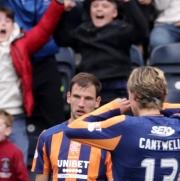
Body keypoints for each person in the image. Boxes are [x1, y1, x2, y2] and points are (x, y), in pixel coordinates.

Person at [0, 0, 65, 158]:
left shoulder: (22, 44)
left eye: (7, 21)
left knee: (20, 159)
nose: (2, 24)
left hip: (14, 116)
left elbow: (44, 28)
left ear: (13, 24)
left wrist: (58, 3)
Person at [56, 0, 149, 104]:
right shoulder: (83, 31)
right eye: (95, 6)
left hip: (117, 88)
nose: (99, 9)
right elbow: (62, 39)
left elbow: (142, 33)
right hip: (89, 88)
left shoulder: (122, 29)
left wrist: (129, 3)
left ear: (114, 13)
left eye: (105, 6)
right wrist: (63, 9)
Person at [6, 0, 74, 134]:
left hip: (43, 60)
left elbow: (45, 27)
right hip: (11, 60)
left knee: (55, 122)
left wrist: (58, 4)